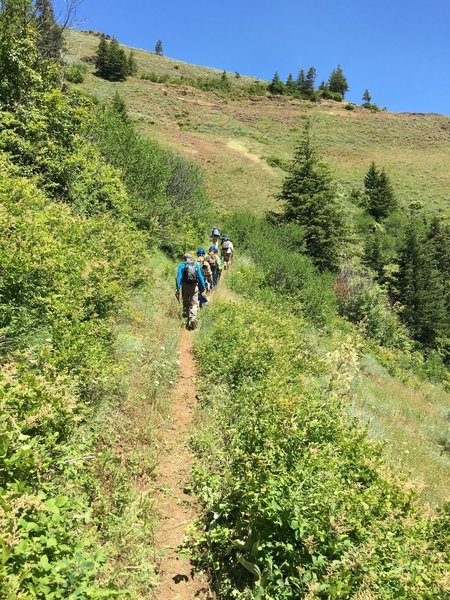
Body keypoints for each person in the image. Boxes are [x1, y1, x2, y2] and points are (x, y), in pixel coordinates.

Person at [175, 253, 206, 330]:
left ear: (184, 258)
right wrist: (203, 287)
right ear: (191, 258)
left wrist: (178, 288)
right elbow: (200, 276)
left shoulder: (181, 265)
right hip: (194, 286)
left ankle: (186, 316)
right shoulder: (196, 265)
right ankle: (192, 319)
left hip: (185, 286)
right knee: (194, 303)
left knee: (186, 302)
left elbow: (179, 277)